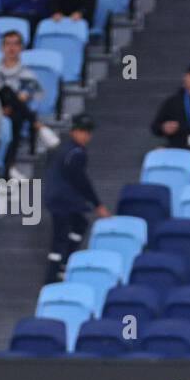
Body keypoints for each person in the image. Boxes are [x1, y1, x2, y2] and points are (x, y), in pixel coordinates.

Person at [42, 113, 108, 283]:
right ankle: (54, 276)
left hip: (56, 197)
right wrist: (97, 204)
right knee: (60, 237)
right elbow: (81, 181)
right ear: (74, 131)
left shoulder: (64, 149)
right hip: (63, 200)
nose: (85, 135)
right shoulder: (77, 153)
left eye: (88, 132)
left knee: (79, 225)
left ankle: (63, 264)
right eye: (82, 131)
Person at [0, 30, 58, 177]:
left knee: (14, 116)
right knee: (7, 91)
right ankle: (38, 125)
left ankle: (9, 167)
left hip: (15, 114)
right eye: (8, 44)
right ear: (2, 48)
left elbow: (39, 96)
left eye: (15, 44)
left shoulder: (28, 75)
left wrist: (27, 96)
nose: (11, 48)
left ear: (21, 48)